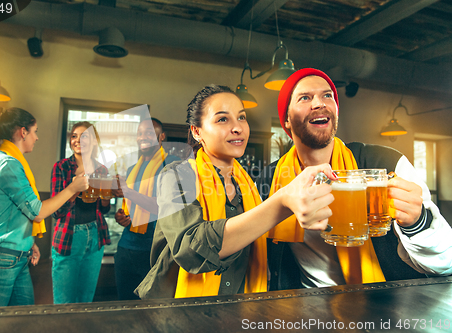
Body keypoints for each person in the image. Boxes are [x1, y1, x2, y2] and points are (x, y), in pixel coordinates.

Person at [255, 68, 452, 290]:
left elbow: (446, 262)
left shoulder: (385, 163)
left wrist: (418, 223)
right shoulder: (270, 181)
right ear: (287, 120)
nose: (319, 103)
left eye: (327, 95)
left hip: (386, 305)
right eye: (305, 97)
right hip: (309, 312)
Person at [136, 85, 337, 299]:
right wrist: (281, 202)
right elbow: (191, 249)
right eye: (223, 119)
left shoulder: (249, 185)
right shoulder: (176, 176)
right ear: (197, 131)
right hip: (183, 311)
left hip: (241, 311)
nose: (237, 128)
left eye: (241, 117)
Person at [0, 107, 88, 308]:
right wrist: (72, 188)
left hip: (17, 258)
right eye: (35, 131)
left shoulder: (13, 162)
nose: (36, 138)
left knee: (23, 321)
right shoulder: (7, 164)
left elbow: (13, 212)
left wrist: (28, 242)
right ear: (23, 132)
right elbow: (38, 212)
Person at [113, 118, 180, 300]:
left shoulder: (173, 165)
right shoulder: (133, 168)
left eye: (149, 132)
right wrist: (122, 217)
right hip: (126, 248)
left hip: (155, 251)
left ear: (161, 137)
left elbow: (167, 207)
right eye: (140, 133)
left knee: (153, 311)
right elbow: (128, 207)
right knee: (125, 307)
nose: (143, 137)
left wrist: (129, 192)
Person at [50, 121, 111, 304]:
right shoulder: (61, 167)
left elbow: (104, 209)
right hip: (69, 236)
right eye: (74, 136)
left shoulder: (101, 170)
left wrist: (107, 194)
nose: (77, 140)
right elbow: (56, 211)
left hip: (95, 235)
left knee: (86, 299)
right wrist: (75, 187)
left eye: (83, 136)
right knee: (64, 300)